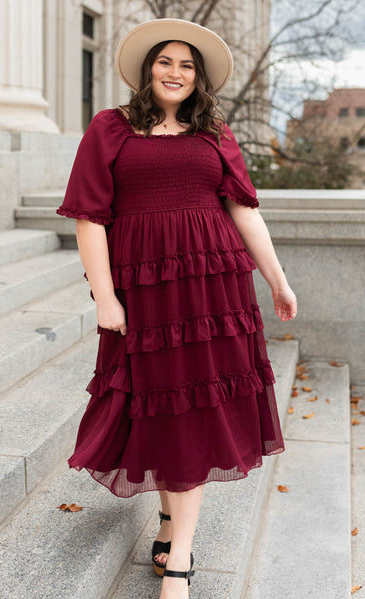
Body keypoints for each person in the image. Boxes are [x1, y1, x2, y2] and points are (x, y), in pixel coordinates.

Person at [57, 18, 297, 599]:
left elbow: (244, 211)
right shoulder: (110, 128)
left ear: (199, 79)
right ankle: (172, 525)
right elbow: (90, 217)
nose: (175, 72)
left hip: (213, 289)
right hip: (142, 291)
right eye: (165, 61)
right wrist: (105, 296)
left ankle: (181, 557)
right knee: (163, 408)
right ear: (148, 70)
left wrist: (278, 281)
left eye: (187, 65)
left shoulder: (215, 133)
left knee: (192, 408)